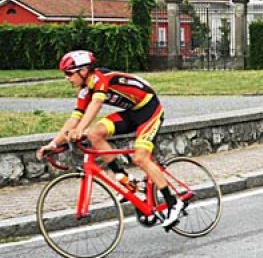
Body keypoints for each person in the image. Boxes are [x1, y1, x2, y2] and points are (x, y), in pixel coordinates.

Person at [35, 50, 184, 228]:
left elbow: (96, 104)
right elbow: (73, 119)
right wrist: (53, 144)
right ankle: (125, 179)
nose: (67, 78)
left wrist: (79, 130)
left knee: (140, 158)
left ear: (83, 71)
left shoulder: (100, 79)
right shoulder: (84, 91)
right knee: (94, 134)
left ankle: (173, 203)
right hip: (131, 112)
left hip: (150, 111)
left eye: (69, 73)